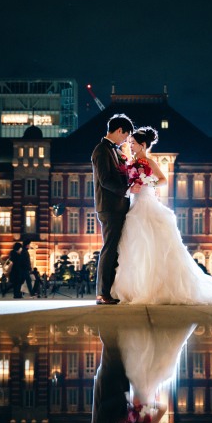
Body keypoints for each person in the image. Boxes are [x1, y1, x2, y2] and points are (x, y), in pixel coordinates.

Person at [111, 126, 212, 306]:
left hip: (147, 202)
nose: (130, 146)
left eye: (133, 143)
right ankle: (135, 288)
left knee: (151, 245)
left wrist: (148, 182)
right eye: (130, 143)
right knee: (135, 247)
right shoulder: (131, 162)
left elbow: (163, 180)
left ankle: (152, 288)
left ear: (143, 145)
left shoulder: (149, 162)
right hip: (135, 204)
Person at [92, 114, 135, 305]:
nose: (125, 140)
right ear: (119, 131)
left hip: (117, 206)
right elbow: (105, 180)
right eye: (125, 135)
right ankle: (102, 293)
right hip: (109, 207)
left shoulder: (113, 150)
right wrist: (127, 190)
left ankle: (108, 291)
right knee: (109, 249)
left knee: (114, 249)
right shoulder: (101, 150)